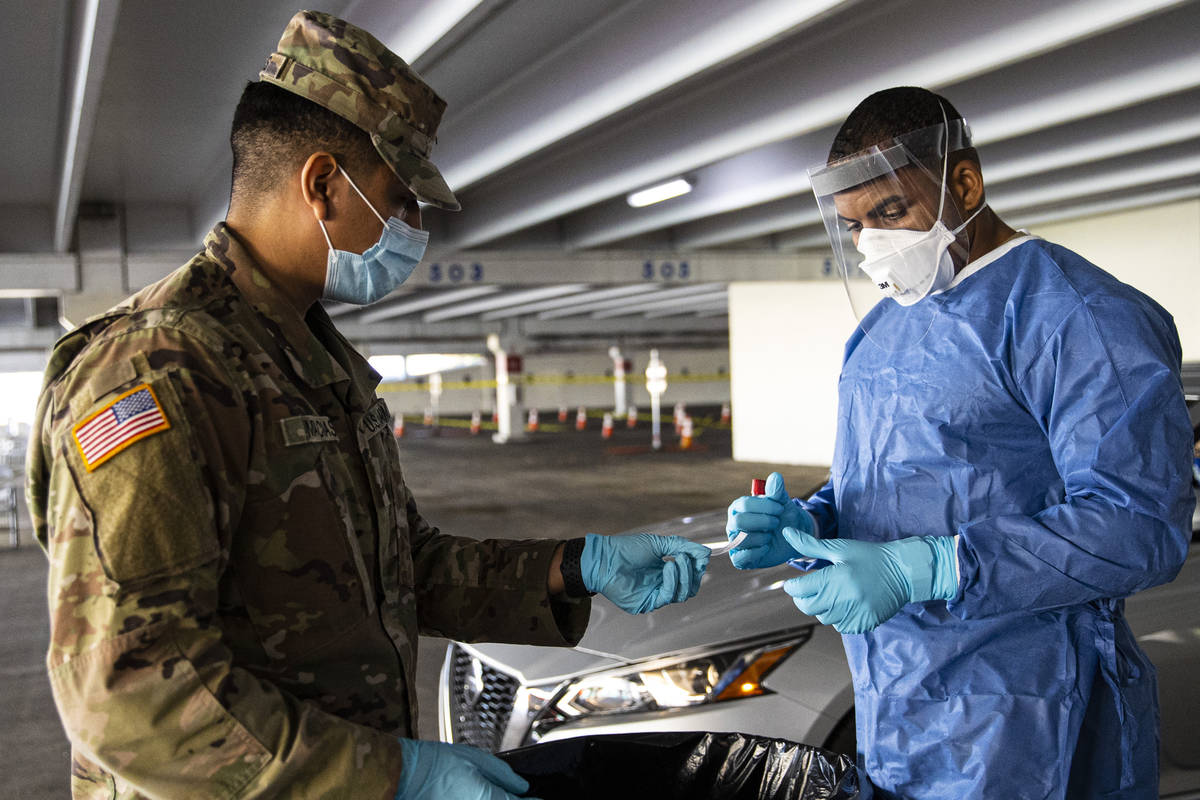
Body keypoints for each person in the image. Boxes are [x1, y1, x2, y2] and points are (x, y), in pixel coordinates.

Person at [25, 11, 711, 800]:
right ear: (321, 185)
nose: (412, 229)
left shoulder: (305, 356)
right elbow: (129, 687)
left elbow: (395, 570)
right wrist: (398, 773)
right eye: (400, 200)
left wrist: (573, 567)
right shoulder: (160, 368)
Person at [725, 87, 1194, 799]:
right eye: (853, 225)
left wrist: (932, 570)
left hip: (1031, 717)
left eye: (890, 211)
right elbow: (895, 485)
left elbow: (1138, 526)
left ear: (963, 183)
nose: (870, 243)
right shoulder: (881, 330)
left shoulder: (1080, 317)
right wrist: (811, 525)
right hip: (899, 707)